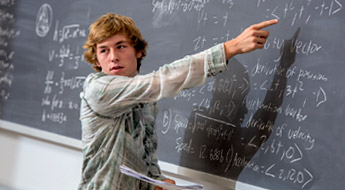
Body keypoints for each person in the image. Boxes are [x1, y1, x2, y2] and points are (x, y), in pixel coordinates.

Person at [78, 12, 278, 190]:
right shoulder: (98, 90)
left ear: (138, 51)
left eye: (120, 47)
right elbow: (163, 79)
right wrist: (230, 48)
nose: (113, 57)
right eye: (104, 50)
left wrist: (156, 182)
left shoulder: (145, 99)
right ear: (96, 60)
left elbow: (145, 155)